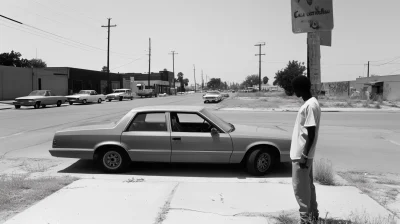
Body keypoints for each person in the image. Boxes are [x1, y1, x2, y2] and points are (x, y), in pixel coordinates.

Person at [290, 76, 321, 224]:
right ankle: (313, 215)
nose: (294, 91)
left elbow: (311, 133)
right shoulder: (313, 103)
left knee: (300, 190)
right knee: (308, 187)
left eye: (295, 88)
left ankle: (305, 220)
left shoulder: (309, 106)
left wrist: (303, 155)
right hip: (305, 154)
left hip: (301, 155)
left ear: (300, 88)